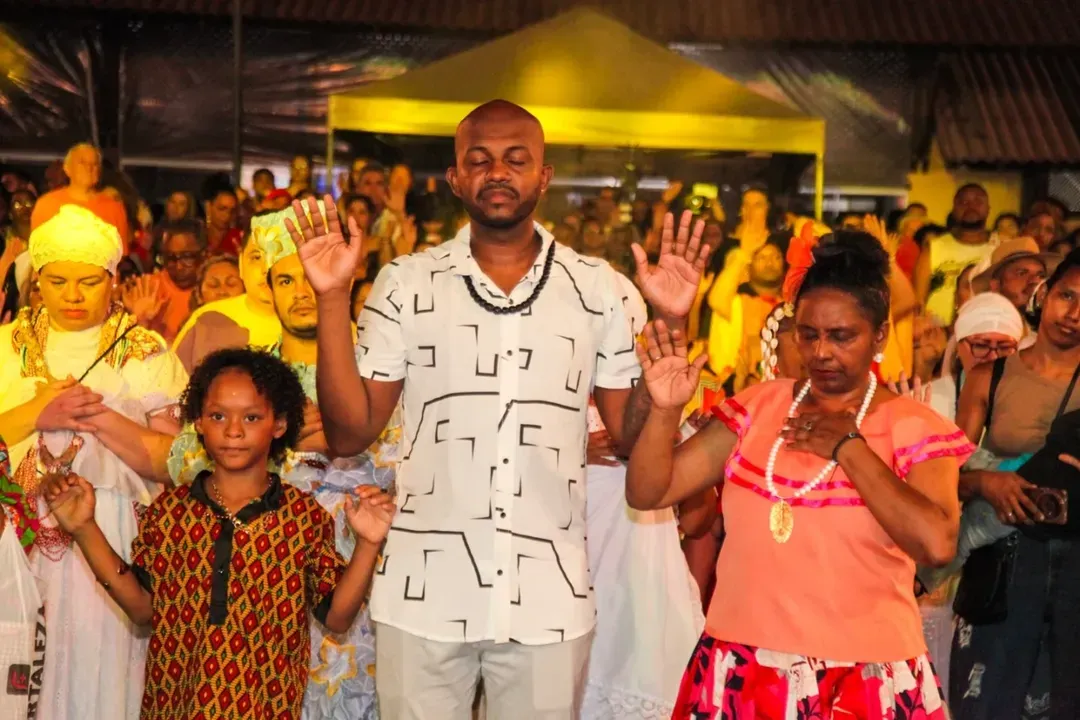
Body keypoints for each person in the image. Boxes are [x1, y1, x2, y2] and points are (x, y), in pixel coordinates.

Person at [285, 99, 706, 719]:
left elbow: (626, 434)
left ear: (544, 175)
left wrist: (670, 319)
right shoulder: (406, 282)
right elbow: (350, 434)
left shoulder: (598, 287)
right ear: (455, 179)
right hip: (423, 594)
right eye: (479, 160)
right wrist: (331, 296)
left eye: (516, 159)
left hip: (548, 597)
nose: (497, 172)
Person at [626, 230, 974, 718]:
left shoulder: (913, 425)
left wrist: (850, 449)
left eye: (841, 336)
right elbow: (648, 491)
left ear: (879, 335)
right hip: (744, 664)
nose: (821, 352)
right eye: (808, 334)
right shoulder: (758, 406)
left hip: (863, 677)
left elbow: (937, 544)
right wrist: (665, 411)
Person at [41, 347, 395, 720]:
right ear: (198, 422)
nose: (233, 430)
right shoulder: (170, 512)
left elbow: (337, 617)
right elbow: (143, 608)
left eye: (252, 417)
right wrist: (84, 528)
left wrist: (368, 543)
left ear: (279, 424)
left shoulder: (303, 517)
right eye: (218, 415)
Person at [0, 204, 187, 720]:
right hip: (17, 533)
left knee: (102, 659)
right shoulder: (7, 346)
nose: (73, 296)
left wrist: (97, 417)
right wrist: (37, 414)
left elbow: (177, 462)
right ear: (37, 281)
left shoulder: (145, 350)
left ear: (113, 279)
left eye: (89, 281)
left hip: (112, 531)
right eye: (57, 281)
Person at [950, 249, 1080, 720]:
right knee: (989, 702)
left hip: (1075, 566)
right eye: (1067, 295)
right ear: (1044, 294)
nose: (1074, 314)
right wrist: (986, 482)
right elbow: (946, 474)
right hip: (1005, 558)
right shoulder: (990, 376)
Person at [172, 223, 282, 373]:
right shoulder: (207, 319)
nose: (266, 268)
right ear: (242, 264)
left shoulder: (311, 319)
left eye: (277, 257)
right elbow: (171, 382)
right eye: (257, 257)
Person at [915, 184, 995, 326]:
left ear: (988, 208)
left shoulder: (1000, 246)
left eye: (977, 201)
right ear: (954, 209)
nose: (970, 206)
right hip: (937, 330)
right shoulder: (934, 247)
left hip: (986, 329)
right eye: (963, 202)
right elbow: (918, 299)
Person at [31, 143, 130, 251]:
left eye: (94, 164)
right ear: (67, 168)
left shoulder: (114, 207)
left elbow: (120, 254)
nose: (89, 168)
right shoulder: (47, 204)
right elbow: (37, 251)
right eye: (82, 163)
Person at [204, 186, 243, 256]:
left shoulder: (240, 238)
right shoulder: (197, 237)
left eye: (232, 211)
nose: (227, 215)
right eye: (222, 209)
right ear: (209, 207)